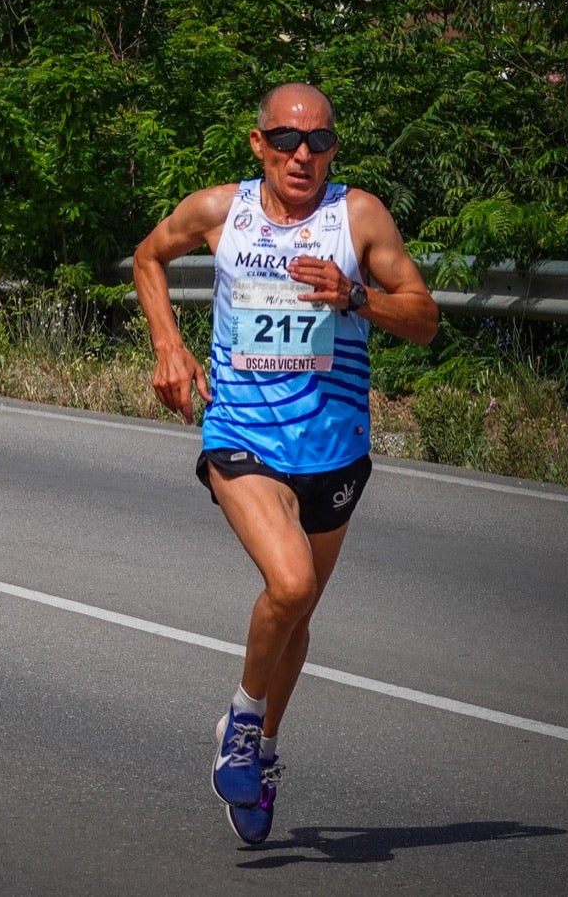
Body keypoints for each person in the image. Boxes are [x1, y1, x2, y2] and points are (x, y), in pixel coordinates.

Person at [132, 83, 438, 844]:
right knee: (291, 580)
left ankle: (262, 753)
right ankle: (242, 721)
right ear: (258, 143)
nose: (304, 155)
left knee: (297, 610)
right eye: (287, 140)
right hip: (242, 434)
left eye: (320, 143)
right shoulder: (218, 211)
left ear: (335, 148)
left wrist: (358, 298)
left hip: (334, 447)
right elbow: (147, 256)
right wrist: (169, 346)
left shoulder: (357, 217)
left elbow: (426, 320)